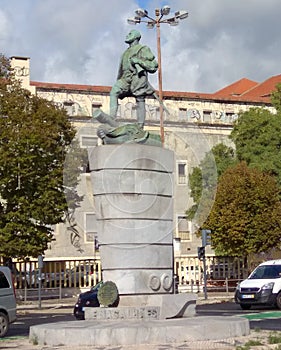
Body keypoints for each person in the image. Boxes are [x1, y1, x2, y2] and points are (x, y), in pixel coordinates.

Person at [110, 29, 158, 128]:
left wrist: (139, 61)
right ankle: (111, 118)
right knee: (114, 91)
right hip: (125, 78)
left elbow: (153, 66)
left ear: (136, 37)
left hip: (137, 77)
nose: (127, 35)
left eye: (130, 34)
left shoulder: (143, 49)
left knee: (140, 99)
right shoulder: (125, 52)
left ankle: (140, 125)